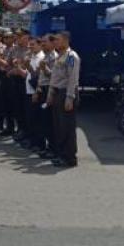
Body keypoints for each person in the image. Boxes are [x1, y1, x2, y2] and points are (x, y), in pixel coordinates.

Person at [47, 31, 81, 168]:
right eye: (54, 40)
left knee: (67, 127)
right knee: (59, 127)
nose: (55, 42)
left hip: (66, 94)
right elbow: (55, 77)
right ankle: (61, 155)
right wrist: (50, 93)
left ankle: (70, 158)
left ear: (66, 41)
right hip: (57, 93)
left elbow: (73, 78)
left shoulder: (71, 56)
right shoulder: (59, 56)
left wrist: (69, 98)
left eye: (58, 40)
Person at [35, 35, 58, 159]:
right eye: (42, 41)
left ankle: (52, 148)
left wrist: (45, 68)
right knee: (43, 121)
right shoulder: (45, 56)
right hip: (42, 89)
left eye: (45, 42)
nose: (43, 43)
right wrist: (38, 87)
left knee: (50, 121)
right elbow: (41, 76)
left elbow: (54, 76)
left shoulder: (54, 57)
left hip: (49, 90)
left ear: (52, 43)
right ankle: (46, 146)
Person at [21, 36, 45, 151]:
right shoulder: (32, 57)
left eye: (33, 44)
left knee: (37, 119)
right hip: (28, 90)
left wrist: (36, 91)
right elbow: (29, 75)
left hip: (36, 91)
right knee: (30, 118)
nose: (30, 47)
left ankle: (39, 144)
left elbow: (38, 76)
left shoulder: (41, 58)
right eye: (30, 44)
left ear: (40, 45)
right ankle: (32, 141)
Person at [8, 29, 31, 143]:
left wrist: (18, 67)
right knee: (16, 106)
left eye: (20, 36)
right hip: (15, 80)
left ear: (26, 37)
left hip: (26, 81)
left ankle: (27, 131)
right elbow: (8, 64)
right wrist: (12, 69)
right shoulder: (13, 49)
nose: (17, 38)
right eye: (16, 36)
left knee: (26, 107)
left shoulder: (31, 50)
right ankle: (21, 129)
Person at [0, 30, 16, 136]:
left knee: (10, 103)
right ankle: (7, 126)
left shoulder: (14, 49)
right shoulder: (5, 49)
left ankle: (11, 127)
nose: (6, 39)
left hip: (11, 77)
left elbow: (8, 65)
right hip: (3, 76)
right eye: (5, 37)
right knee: (4, 102)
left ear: (13, 38)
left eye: (8, 37)